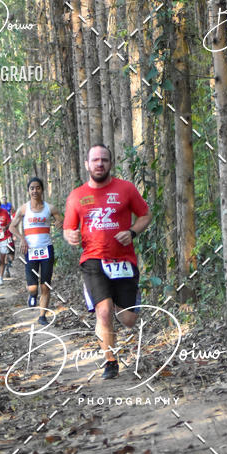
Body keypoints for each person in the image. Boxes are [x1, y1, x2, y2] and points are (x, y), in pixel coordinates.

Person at [63, 144, 151, 379]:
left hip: (124, 260)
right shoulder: (77, 196)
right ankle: (110, 361)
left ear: (110, 163)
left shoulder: (126, 189)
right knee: (103, 311)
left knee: (129, 319)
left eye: (104, 160)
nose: (99, 164)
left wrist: (132, 232)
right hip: (93, 260)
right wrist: (70, 235)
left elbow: (145, 214)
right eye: (95, 160)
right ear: (87, 165)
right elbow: (68, 229)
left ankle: (127, 302)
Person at [11, 177, 58, 325]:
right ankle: (32, 294)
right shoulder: (24, 209)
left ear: (42, 190)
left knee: (45, 284)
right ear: (28, 191)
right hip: (30, 250)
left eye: (37, 188)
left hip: (46, 249)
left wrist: (59, 223)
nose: (35, 191)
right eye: (32, 188)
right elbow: (12, 227)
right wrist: (22, 239)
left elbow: (61, 219)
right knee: (33, 287)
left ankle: (42, 315)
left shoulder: (49, 208)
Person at [0, 196, 14, 276]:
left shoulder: (9, 205)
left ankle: (9, 262)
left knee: (11, 254)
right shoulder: (1, 207)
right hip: (3, 237)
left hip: (10, 236)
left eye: (5, 198)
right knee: (4, 251)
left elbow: (13, 211)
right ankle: (6, 270)